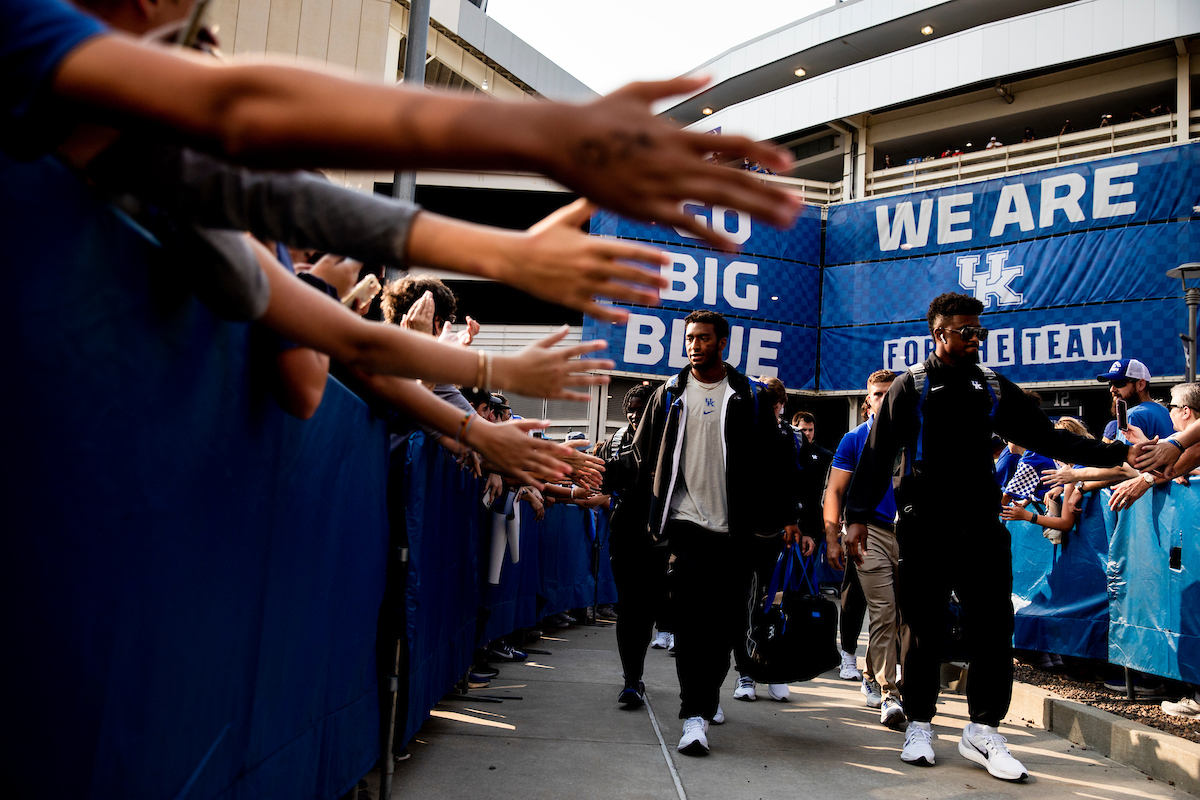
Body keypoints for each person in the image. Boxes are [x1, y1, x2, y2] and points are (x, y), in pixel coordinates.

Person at [6, 0, 800, 249]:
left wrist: (510, 257)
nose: (201, 50)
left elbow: (290, 229)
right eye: (196, 42)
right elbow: (239, 110)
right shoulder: (26, 26)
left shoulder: (141, 154)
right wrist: (540, 137)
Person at [844, 292, 1135, 782]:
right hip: (923, 525)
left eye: (980, 332)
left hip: (982, 526)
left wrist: (1113, 454)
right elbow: (877, 454)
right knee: (922, 629)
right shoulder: (910, 386)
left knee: (993, 628)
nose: (976, 340)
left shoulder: (992, 386)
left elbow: (1048, 437)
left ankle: (983, 730)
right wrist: (855, 516)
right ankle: (919, 723)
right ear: (939, 334)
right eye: (966, 331)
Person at [607, 310, 805, 756]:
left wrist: (788, 517)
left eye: (703, 338)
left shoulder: (748, 396)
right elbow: (640, 459)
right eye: (690, 338)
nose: (695, 345)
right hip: (685, 527)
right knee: (692, 626)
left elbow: (779, 465)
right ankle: (694, 716)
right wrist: (600, 476)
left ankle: (708, 696)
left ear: (722, 343)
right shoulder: (669, 395)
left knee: (724, 628)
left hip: (736, 536)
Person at [824, 369, 906, 728]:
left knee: (901, 614)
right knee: (884, 610)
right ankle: (892, 694)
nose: (884, 398)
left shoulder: (914, 435)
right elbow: (835, 491)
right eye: (878, 393)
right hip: (869, 532)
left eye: (892, 392)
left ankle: (872, 675)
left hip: (911, 533)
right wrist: (832, 536)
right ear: (866, 400)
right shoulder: (854, 439)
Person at [730, 378, 816, 705]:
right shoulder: (740, 431)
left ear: (782, 405)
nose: (769, 410)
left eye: (774, 404)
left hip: (778, 534)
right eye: (763, 404)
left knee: (772, 603)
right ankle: (745, 672)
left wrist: (804, 527)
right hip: (740, 532)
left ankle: (771, 668)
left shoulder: (793, 438)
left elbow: (802, 486)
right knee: (739, 603)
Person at [596, 384, 674, 708]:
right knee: (630, 607)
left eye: (642, 409)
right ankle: (631, 680)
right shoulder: (614, 443)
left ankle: (637, 672)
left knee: (648, 608)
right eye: (631, 408)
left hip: (660, 539)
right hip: (625, 535)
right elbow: (599, 482)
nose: (634, 414)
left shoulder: (671, 441)